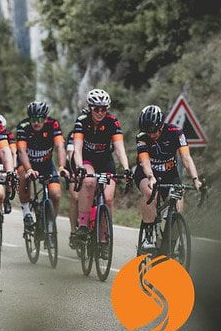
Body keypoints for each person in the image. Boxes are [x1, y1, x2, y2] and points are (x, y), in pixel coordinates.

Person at [134, 105, 202, 250]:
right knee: (150, 193)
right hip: (146, 173)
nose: (151, 135)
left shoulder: (176, 133)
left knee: (178, 208)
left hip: (170, 174)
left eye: (154, 131)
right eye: (147, 131)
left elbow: (186, 158)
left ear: (161, 125)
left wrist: (195, 179)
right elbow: (145, 161)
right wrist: (150, 176)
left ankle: (168, 243)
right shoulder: (141, 137)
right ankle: (148, 235)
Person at [72, 89, 131, 251]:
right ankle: (83, 224)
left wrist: (126, 168)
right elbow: (77, 148)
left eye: (103, 109)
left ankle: (104, 237)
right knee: (89, 182)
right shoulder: (82, 121)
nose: (100, 112)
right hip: (87, 159)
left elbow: (119, 148)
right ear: (90, 108)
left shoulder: (112, 122)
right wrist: (79, 166)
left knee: (108, 199)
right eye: (96, 109)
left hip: (105, 161)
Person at [15, 101, 67, 234]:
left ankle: (50, 222)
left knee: (55, 194)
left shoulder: (53, 124)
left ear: (45, 118)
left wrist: (61, 167)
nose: (36, 123)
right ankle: (26, 212)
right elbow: (21, 151)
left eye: (40, 119)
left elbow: (60, 146)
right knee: (22, 175)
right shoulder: (23, 126)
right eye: (33, 119)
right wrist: (29, 169)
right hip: (27, 163)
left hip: (46, 164)